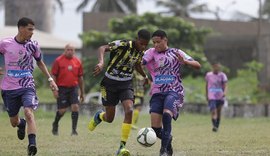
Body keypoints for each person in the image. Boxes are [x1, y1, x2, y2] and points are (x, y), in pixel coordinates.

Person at [0, 17, 58, 156]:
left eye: (33, 29)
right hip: (8, 88)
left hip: (27, 84)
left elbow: (40, 62)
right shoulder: (5, 43)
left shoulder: (33, 45)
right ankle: (21, 124)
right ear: (21, 28)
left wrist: (51, 79)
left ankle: (32, 145)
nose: (32, 32)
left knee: (28, 113)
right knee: (14, 122)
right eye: (30, 29)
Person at [88, 29, 151, 156]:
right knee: (109, 118)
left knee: (129, 110)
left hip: (126, 84)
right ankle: (100, 116)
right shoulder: (124, 44)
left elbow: (137, 64)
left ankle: (121, 147)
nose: (143, 47)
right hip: (109, 83)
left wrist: (145, 76)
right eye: (141, 43)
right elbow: (102, 48)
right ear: (136, 39)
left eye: (146, 44)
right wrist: (101, 62)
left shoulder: (141, 51)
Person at [142, 30, 201, 156]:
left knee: (167, 115)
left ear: (165, 40)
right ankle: (168, 139)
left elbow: (197, 65)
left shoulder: (176, 52)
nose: (156, 45)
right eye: (154, 42)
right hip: (157, 92)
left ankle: (163, 151)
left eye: (158, 42)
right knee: (156, 129)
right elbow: (141, 62)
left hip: (174, 91)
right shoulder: (151, 52)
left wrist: (185, 62)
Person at [51, 43, 85, 136]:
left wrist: (82, 92)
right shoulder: (58, 61)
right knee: (62, 110)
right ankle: (55, 124)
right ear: (64, 50)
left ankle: (74, 130)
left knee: (75, 107)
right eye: (68, 50)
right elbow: (53, 76)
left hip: (73, 88)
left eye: (72, 50)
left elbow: (80, 78)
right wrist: (54, 90)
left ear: (74, 51)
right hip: (61, 88)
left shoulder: (77, 62)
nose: (70, 51)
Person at [205, 62, 228, 132]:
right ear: (213, 67)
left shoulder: (222, 75)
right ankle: (214, 126)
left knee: (219, 112)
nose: (216, 68)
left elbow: (225, 85)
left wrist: (224, 92)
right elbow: (206, 85)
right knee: (213, 111)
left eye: (218, 67)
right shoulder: (208, 75)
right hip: (211, 95)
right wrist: (206, 94)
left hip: (220, 95)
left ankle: (217, 126)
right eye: (215, 67)